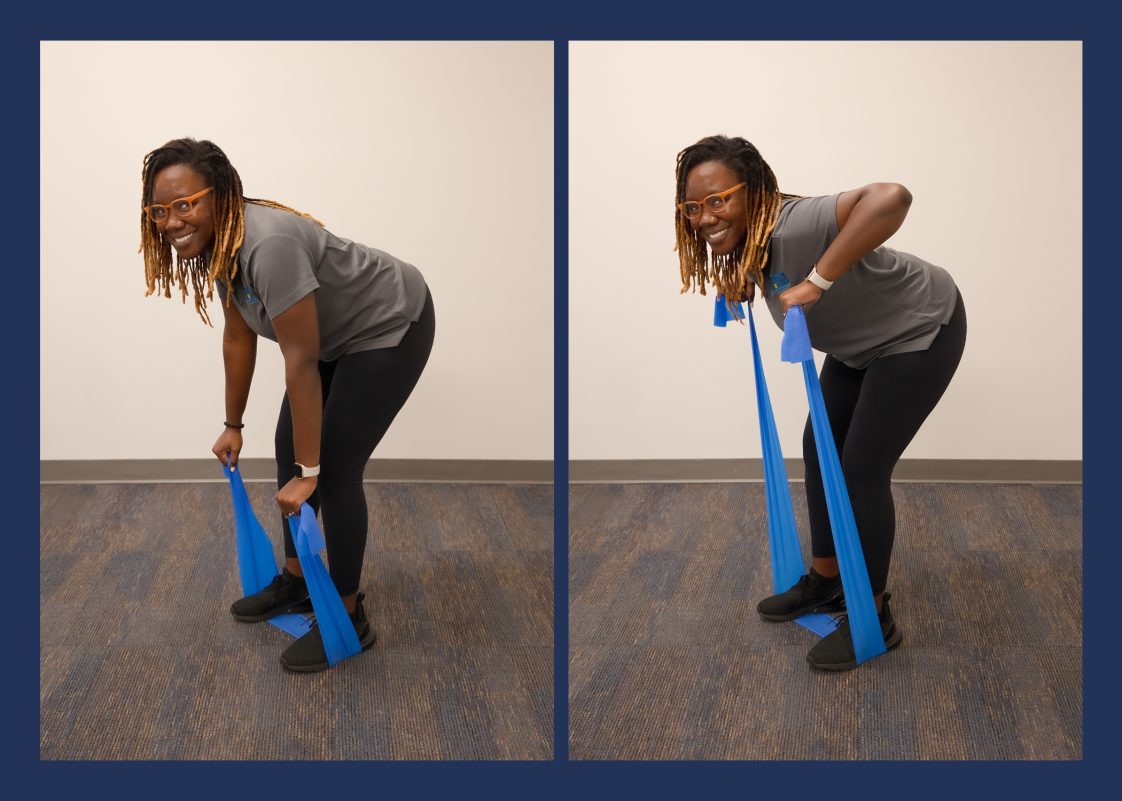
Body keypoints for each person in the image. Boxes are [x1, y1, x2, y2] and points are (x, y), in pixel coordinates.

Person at [140, 138, 435, 672]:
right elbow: (238, 336)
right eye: (159, 210)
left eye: (185, 204)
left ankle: (347, 615)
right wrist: (233, 425)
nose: (171, 221)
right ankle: (298, 582)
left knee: (336, 468)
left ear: (220, 196)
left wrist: (312, 470)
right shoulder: (222, 241)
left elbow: (300, 361)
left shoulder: (267, 246)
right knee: (287, 446)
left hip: (390, 323)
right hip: (332, 336)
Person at [674, 135, 967, 671]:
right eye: (693, 207)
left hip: (919, 328)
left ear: (755, 192)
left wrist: (818, 280)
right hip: (860, 345)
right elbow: (774, 270)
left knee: (859, 470)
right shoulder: (755, 241)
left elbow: (891, 196)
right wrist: (748, 282)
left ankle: (872, 614)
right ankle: (828, 580)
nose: (705, 217)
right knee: (819, 448)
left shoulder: (798, 222)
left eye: (719, 200)